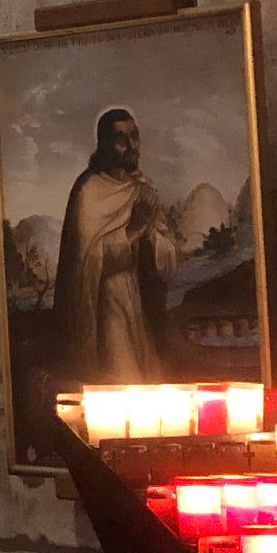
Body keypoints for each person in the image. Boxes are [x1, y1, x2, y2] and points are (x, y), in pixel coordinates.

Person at [51, 107, 180, 379]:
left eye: (134, 136)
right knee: (121, 379)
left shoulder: (141, 187)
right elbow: (87, 261)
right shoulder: (89, 191)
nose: (131, 145)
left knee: (149, 381)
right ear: (105, 144)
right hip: (105, 306)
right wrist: (134, 229)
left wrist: (151, 237)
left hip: (138, 301)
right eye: (122, 139)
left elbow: (166, 258)